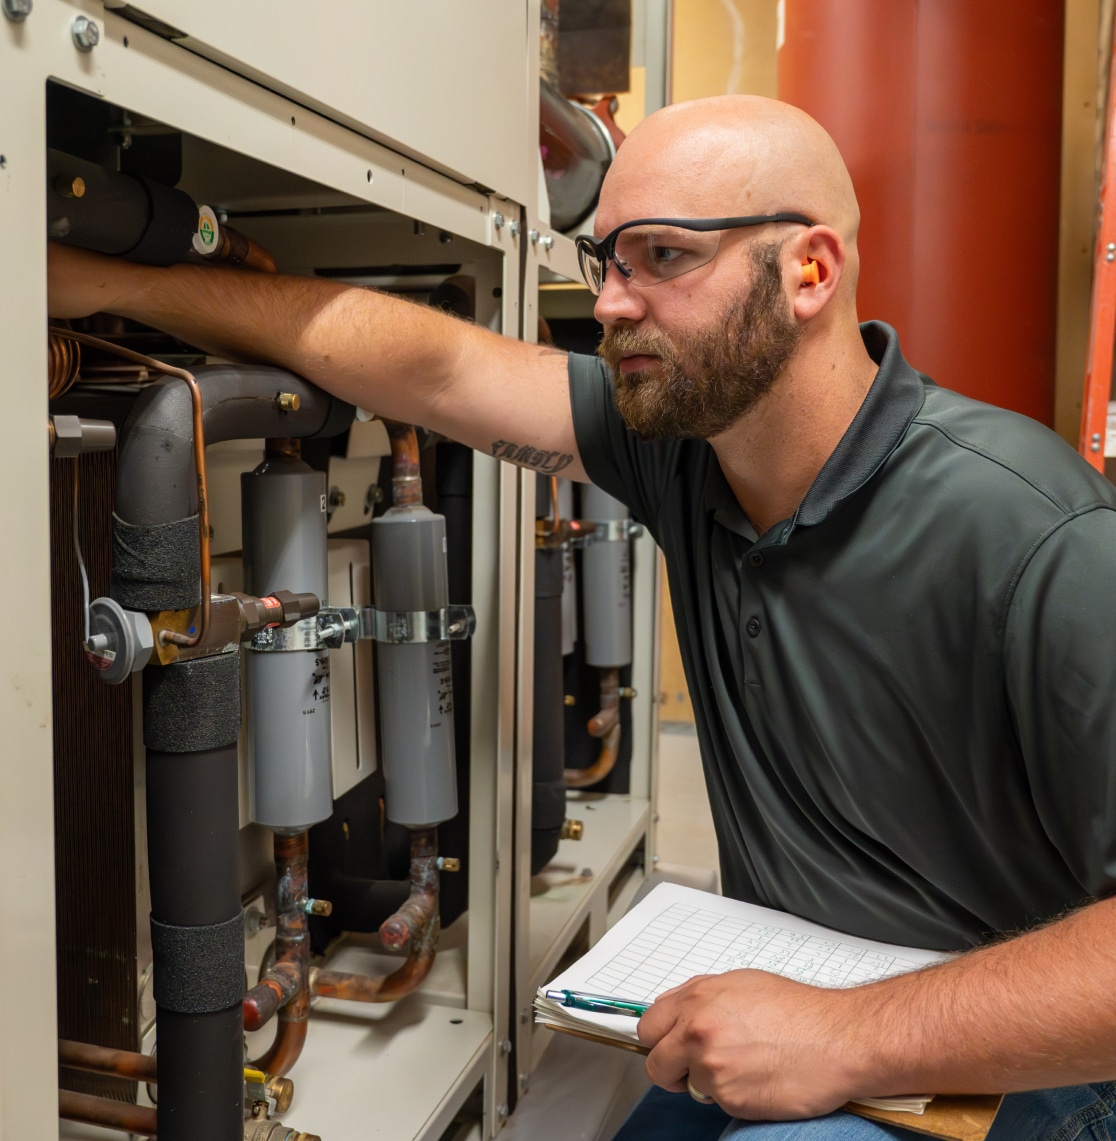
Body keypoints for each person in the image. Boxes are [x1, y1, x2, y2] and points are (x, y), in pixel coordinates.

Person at [49, 95, 1116, 1140]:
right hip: (802, 997)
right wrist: (108, 284)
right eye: (610, 260)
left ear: (810, 272)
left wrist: (848, 1035)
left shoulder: (1033, 534)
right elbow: (434, 367)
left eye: (661, 256)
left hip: (1009, 1065)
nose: (610, 302)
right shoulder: (686, 448)